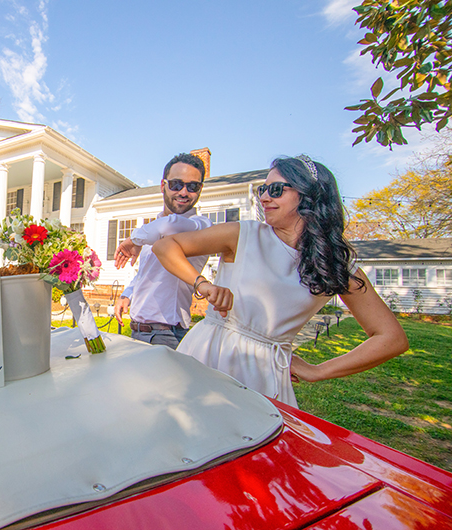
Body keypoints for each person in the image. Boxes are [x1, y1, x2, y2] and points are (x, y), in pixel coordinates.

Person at [152, 155, 408, 408]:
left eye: (275, 190)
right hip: (210, 353)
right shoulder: (243, 234)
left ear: (309, 195)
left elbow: (391, 338)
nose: (264, 197)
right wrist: (203, 284)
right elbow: (165, 246)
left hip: (265, 375)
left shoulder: (334, 264)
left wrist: (318, 371)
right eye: (263, 189)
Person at [113, 153, 212, 349]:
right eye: (176, 184)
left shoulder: (201, 226)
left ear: (200, 189)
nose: (184, 192)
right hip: (138, 331)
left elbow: (170, 225)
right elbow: (144, 274)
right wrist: (127, 295)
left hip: (167, 335)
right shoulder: (151, 231)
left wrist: (133, 239)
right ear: (162, 185)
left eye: (192, 186)